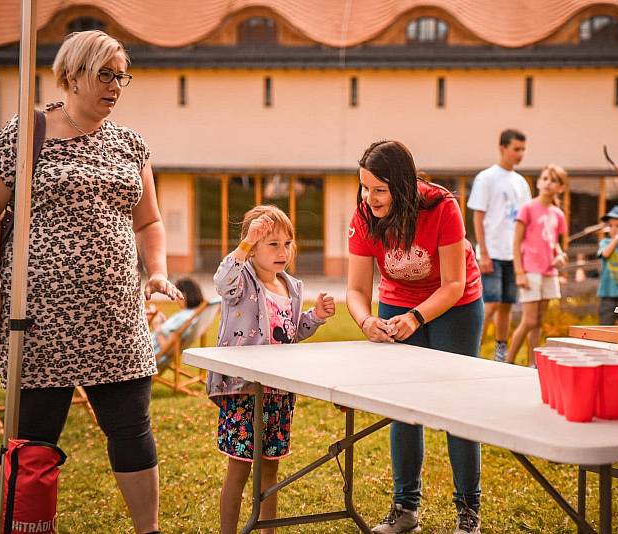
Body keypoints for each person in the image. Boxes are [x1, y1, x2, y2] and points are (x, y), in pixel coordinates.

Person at [0, 30, 182, 534]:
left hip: (115, 319)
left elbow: (149, 221)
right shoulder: (28, 133)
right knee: (35, 439)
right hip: (41, 318)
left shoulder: (130, 143)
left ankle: (147, 531)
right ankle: (29, 529)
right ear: (72, 74)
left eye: (121, 76)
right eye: (104, 74)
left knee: (132, 429)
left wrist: (157, 272)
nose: (115, 86)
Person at [347, 140, 483, 534]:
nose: (369, 197)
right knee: (403, 406)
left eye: (379, 189)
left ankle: (467, 512)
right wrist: (366, 321)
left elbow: (455, 283)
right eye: (364, 187)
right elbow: (356, 290)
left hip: (454, 305)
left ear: (403, 186)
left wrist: (418, 317)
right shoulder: (364, 215)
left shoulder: (442, 207)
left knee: (455, 408)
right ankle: (405, 509)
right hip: (397, 303)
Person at [207, 205, 335, 534]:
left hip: (278, 393)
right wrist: (246, 244)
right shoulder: (241, 282)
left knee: (270, 471)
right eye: (272, 244)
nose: (283, 252)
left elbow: (292, 331)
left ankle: (269, 530)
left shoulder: (291, 287)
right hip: (245, 391)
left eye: (287, 243)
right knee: (238, 469)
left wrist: (315, 317)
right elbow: (221, 282)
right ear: (252, 248)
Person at [467, 129, 530, 362]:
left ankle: (500, 353)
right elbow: (478, 217)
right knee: (490, 304)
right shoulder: (487, 178)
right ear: (502, 148)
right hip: (491, 253)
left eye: (523, 149)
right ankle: (472, 348)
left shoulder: (521, 183)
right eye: (516, 149)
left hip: (513, 255)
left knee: (505, 304)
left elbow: (524, 221)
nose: (520, 154)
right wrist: (483, 253)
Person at [506, 165, 568, 367]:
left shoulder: (558, 214)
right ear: (539, 182)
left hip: (549, 272)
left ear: (561, 187)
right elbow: (516, 242)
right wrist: (519, 272)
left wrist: (560, 255)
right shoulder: (527, 208)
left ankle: (532, 363)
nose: (548, 182)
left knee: (539, 321)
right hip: (530, 271)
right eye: (545, 178)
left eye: (554, 180)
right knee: (529, 320)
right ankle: (508, 360)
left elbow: (555, 242)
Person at [150, 277, 204, 362]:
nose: (175, 298)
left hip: (149, 356)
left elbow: (167, 349)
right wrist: (165, 323)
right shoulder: (192, 315)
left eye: (176, 293)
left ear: (184, 295)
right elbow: (173, 333)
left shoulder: (185, 318)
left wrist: (157, 326)